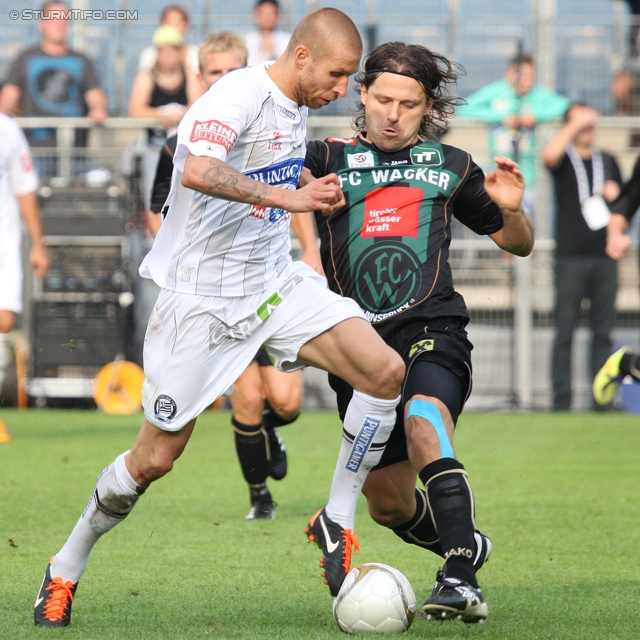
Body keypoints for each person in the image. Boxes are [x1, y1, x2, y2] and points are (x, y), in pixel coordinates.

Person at [34, 9, 405, 628]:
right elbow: (198, 168)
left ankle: (336, 521)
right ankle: (65, 566)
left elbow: (270, 165)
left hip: (272, 283)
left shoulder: (297, 103)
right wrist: (291, 197)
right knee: (152, 461)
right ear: (304, 57)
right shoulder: (237, 92)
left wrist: (305, 178)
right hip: (200, 304)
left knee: (384, 372)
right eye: (337, 75)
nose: (343, 90)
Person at [303, 42, 534, 623]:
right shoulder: (324, 156)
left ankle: (459, 576)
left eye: (407, 104)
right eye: (382, 99)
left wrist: (510, 210)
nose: (391, 114)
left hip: (434, 328)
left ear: (426, 106)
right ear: (362, 93)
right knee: (389, 506)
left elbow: (517, 243)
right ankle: (466, 542)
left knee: (425, 418)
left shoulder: (451, 164)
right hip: (357, 349)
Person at [146, 30, 317, 520]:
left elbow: (292, 189)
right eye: (214, 72)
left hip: (267, 278)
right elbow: (163, 207)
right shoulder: (181, 139)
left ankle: (269, 429)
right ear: (201, 77)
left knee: (285, 402)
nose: (223, 80)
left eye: (231, 71)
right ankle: (259, 496)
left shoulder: (272, 127)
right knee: (245, 395)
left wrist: (311, 249)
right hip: (215, 288)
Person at [542, 104, 622, 411]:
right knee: (564, 332)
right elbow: (549, 155)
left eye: (590, 122)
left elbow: (626, 205)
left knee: (602, 333)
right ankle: (561, 402)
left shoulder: (609, 160)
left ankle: (602, 401)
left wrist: (617, 192)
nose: (587, 128)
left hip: (605, 257)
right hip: (570, 257)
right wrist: (574, 124)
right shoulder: (563, 159)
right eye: (580, 123)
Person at [0, 0, 108, 171]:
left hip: (74, 151)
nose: (59, 25)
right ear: (41, 24)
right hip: (34, 150)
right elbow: (7, 99)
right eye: (53, 20)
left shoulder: (82, 60)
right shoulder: (25, 58)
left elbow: (96, 97)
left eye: (63, 20)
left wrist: (99, 110)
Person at [457, 53, 569, 214]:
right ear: (509, 74)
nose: (527, 80)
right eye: (522, 75)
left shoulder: (538, 94)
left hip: (530, 178)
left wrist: (536, 117)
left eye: (531, 76)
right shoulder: (496, 91)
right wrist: (500, 118)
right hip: (499, 173)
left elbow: (564, 106)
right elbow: (465, 108)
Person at [0, 114, 50, 442]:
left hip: (4, 240)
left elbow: (24, 187)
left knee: (4, 321)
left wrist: (37, 243)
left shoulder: (7, 129)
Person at [129, 25, 200, 147]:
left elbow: (197, 106)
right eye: (164, 51)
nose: (169, 56)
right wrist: (163, 116)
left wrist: (178, 116)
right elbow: (135, 110)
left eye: (173, 51)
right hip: (154, 144)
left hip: (184, 143)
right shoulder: (147, 76)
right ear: (157, 52)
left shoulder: (190, 74)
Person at [138, 5, 200, 76]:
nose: (173, 27)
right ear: (161, 25)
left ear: (186, 26)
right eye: (169, 22)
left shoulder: (196, 54)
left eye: (178, 23)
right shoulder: (149, 55)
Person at [244, 0, 291, 66]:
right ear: (255, 15)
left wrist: (271, 51)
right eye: (263, 13)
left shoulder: (288, 41)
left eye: (271, 14)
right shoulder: (246, 41)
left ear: (278, 16)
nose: (267, 18)